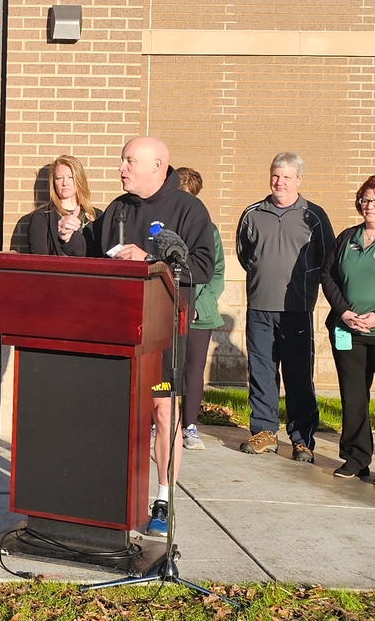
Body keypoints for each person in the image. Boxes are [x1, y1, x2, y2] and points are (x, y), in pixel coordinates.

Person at [97, 137, 214, 536]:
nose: (122, 168)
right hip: (119, 326)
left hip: (164, 328)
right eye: (123, 160)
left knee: (163, 412)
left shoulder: (189, 209)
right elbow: (94, 257)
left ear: (158, 165)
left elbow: (201, 266)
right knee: (122, 412)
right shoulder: (117, 208)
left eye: (130, 161)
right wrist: (68, 237)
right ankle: (115, 492)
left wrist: (149, 259)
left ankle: (162, 498)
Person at [235, 152, 334, 463]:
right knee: (262, 372)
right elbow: (244, 254)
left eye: (287, 177)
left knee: (298, 374)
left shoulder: (313, 216)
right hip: (260, 308)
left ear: (299, 180)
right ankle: (264, 431)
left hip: (297, 310)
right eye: (275, 175)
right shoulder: (253, 213)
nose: (279, 182)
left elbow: (326, 259)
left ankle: (302, 438)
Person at [320, 176, 375, 483]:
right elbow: (328, 276)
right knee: (353, 397)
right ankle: (356, 458)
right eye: (365, 200)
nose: (369, 206)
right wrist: (343, 311)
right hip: (348, 333)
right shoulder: (347, 237)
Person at [176, 167, 225, 451]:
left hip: (197, 314)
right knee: (166, 369)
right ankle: (159, 422)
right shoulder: (163, 227)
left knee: (193, 370)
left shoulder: (208, 230)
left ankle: (190, 425)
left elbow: (216, 273)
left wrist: (198, 307)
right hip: (169, 310)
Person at [28, 154, 97, 257]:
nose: (65, 183)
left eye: (71, 177)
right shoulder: (42, 216)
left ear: (79, 180)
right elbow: (39, 259)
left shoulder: (96, 216)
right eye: (59, 178)